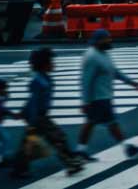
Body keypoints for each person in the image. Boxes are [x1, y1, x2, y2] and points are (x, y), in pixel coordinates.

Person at [11, 48, 84, 178]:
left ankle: (19, 168)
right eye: (51, 62)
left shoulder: (44, 79)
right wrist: (31, 122)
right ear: (44, 65)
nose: (54, 64)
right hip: (39, 117)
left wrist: (23, 113)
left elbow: (31, 100)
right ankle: (72, 163)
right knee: (57, 138)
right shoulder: (39, 82)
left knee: (29, 143)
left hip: (39, 116)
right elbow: (34, 102)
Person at [77, 30, 138, 159]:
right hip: (98, 98)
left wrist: (131, 82)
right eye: (107, 39)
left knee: (91, 122)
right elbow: (86, 81)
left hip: (104, 96)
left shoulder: (104, 54)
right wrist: (85, 101)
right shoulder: (92, 57)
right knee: (112, 123)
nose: (110, 41)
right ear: (99, 40)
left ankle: (80, 150)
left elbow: (114, 71)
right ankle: (128, 149)